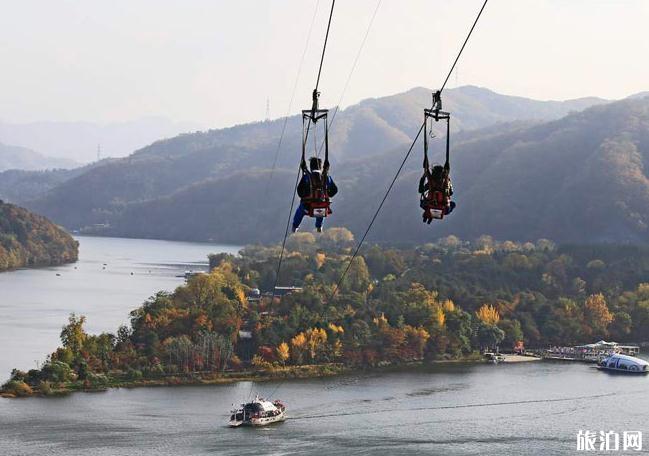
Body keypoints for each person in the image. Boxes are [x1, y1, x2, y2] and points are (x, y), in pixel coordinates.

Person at [292, 156, 338, 232]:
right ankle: (319, 226)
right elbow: (334, 190)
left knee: (300, 211)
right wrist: (328, 194)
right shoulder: (326, 177)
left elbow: (299, 192)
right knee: (321, 207)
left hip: (307, 207)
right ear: (320, 167)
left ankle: (295, 227)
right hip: (321, 208)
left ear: (311, 167)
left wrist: (305, 195)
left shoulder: (306, 177)